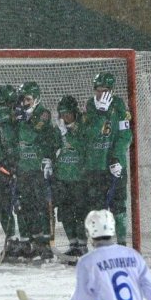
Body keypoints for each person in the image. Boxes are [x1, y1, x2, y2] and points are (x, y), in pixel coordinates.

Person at [84, 72, 133, 245]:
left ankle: (121, 244)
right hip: (94, 166)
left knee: (118, 207)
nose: (100, 94)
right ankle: (100, 244)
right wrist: (100, 115)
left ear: (111, 90)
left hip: (115, 166)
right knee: (96, 207)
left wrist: (117, 158)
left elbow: (125, 134)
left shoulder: (119, 105)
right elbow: (88, 135)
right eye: (98, 90)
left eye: (104, 90)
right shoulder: (90, 106)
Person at [13, 81, 58, 259]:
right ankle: (30, 242)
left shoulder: (43, 114)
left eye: (28, 99)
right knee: (25, 205)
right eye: (22, 99)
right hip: (24, 168)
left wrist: (49, 158)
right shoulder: (19, 114)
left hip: (39, 169)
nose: (25, 103)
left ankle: (45, 243)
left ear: (37, 99)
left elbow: (31, 135)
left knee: (42, 206)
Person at [54, 95, 88, 258]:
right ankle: (72, 243)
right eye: (62, 113)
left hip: (79, 179)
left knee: (80, 213)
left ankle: (82, 244)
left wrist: (67, 135)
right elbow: (52, 147)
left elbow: (82, 145)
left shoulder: (83, 127)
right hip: (63, 178)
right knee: (65, 212)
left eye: (68, 113)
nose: (65, 117)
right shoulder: (59, 128)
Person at [0, 84, 20, 259]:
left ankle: (25, 240)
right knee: (2, 205)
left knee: (20, 205)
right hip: (3, 168)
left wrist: (16, 161)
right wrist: (2, 162)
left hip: (17, 167)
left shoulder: (20, 116)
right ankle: (12, 239)